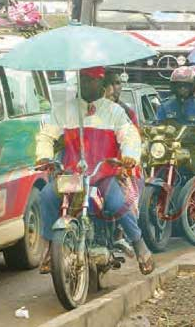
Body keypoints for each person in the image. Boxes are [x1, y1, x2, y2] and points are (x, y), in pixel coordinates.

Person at [35, 67, 153, 275]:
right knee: (46, 196)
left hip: (103, 175)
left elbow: (130, 137)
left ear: (101, 83)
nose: (87, 84)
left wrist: (129, 157)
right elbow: (46, 136)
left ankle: (139, 243)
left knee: (118, 203)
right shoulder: (64, 110)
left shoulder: (114, 111)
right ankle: (49, 248)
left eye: (92, 80)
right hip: (73, 176)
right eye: (83, 79)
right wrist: (44, 156)